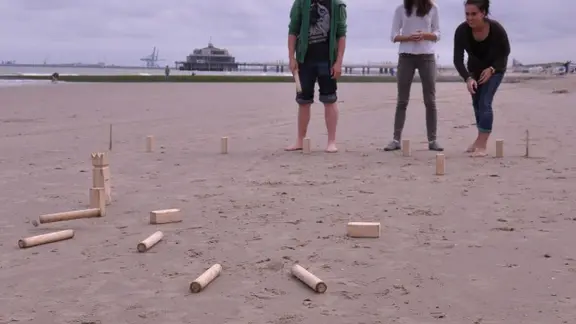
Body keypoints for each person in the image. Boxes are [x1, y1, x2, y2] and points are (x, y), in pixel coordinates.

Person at [285, 0, 347, 153]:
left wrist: (338, 62)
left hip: (327, 60)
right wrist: (291, 58)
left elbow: (341, 35)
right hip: (304, 59)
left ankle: (331, 141)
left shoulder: (337, 5)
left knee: (330, 99)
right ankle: (300, 140)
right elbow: (293, 30)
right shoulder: (301, 3)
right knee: (303, 101)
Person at [384, 0, 443, 152]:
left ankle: (433, 140)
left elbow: (438, 33)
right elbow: (393, 36)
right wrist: (409, 37)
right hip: (406, 56)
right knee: (402, 100)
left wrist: (425, 35)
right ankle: (396, 139)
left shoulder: (433, 8)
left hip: (427, 56)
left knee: (430, 100)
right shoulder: (401, 9)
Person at [453, 0, 510, 157]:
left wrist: (492, 69)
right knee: (477, 104)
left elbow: (505, 53)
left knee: (485, 101)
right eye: (467, 14)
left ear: (483, 13)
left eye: (474, 14)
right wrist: (467, 78)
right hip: (474, 71)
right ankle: (479, 140)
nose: (469, 18)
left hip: (495, 69)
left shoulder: (496, 29)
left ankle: (482, 145)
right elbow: (457, 59)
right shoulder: (462, 31)